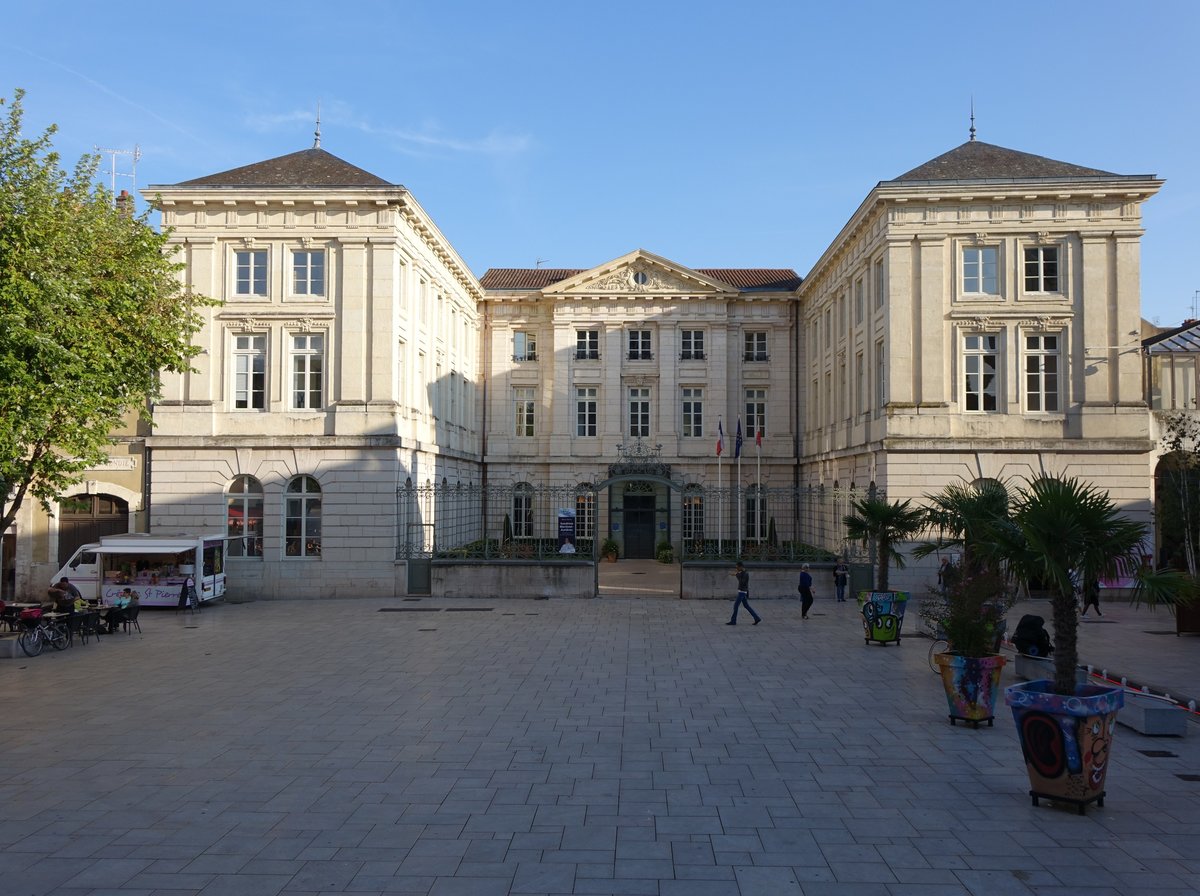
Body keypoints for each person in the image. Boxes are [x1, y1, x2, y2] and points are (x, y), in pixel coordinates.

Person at [727, 561, 760, 626]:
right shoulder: (742, 572)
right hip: (742, 591)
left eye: (737, 567)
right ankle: (756, 618)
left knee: (735, 606)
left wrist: (736, 575)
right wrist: (737, 574)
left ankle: (733, 621)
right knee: (746, 606)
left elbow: (742, 582)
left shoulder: (745, 573)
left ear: (741, 567)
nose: (736, 569)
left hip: (742, 592)